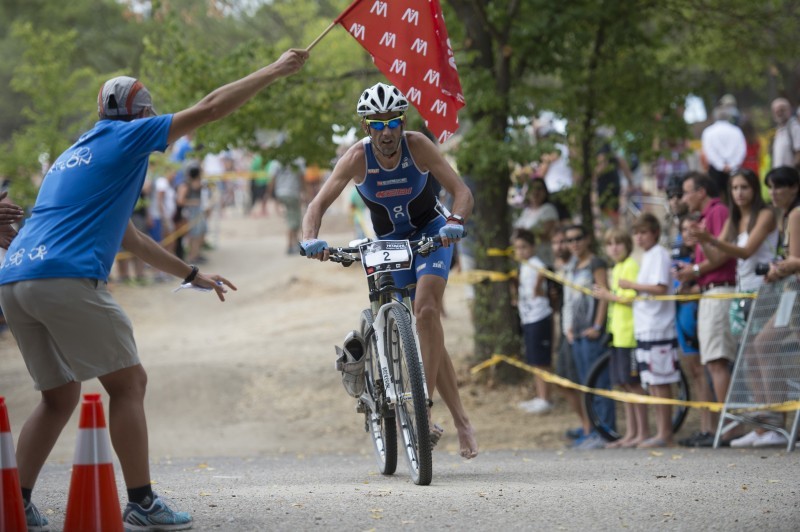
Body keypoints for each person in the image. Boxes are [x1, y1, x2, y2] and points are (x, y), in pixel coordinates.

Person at [0, 48, 308, 531]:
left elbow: (132, 238)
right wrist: (275, 70)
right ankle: (142, 503)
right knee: (129, 383)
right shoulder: (127, 137)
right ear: (142, 115)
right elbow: (209, 108)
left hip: (15, 280)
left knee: (58, 397)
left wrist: (189, 273)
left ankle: (14, 502)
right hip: (64, 278)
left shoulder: (75, 153)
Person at [300, 82, 478, 459]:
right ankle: (460, 419)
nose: (385, 132)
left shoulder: (418, 146)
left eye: (392, 122)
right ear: (367, 128)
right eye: (376, 124)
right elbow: (316, 206)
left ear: (402, 122)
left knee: (427, 309)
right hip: (388, 242)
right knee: (424, 329)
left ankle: (423, 411)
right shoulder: (356, 158)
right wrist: (310, 239)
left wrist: (456, 221)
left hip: (431, 232)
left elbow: (461, 192)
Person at [675, 172, 737, 447]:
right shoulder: (705, 218)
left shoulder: (718, 211)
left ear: (701, 192)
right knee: (712, 361)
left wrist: (695, 269)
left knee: (717, 360)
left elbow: (722, 256)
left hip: (720, 290)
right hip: (709, 292)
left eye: (687, 192)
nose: (684, 198)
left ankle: (726, 427)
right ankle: (718, 427)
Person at [690, 168, 777, 337]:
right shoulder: (733, 220)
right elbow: (715, 257)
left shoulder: (765, 214)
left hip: (764, 290)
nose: (739, 193)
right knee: (745, 354)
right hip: (741, 291)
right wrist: (703, 240)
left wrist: (710, 239)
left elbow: (746, 252)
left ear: (754, 189)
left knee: (761, 349)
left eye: (744, 187)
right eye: (735, 188)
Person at [626, 214, 680, 448]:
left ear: (655, 232)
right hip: (646, 327)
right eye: (636, 233)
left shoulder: (659, 254)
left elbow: (660, 287)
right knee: (653, 383)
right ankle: (659, 432)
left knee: (661, 381)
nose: (639, 237)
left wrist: (632, 286)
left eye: (644, 232)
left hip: (659, 327)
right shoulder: (647, 256)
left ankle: (665, 433)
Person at [592, 228, 648, 448]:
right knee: (624, 385)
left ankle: (642, 432)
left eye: (619, 243)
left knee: (634, 385)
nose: (614, 248)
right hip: (618, 336)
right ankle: (631, 433)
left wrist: (608, 296)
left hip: (630, 335)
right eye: (610, 244)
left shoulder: (631, 266)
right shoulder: (616, 269)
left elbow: (631, 298)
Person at [562, 224, 613, 450]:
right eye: (570, 240)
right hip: (577, 333)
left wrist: (597, 325)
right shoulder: (572, 265)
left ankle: (606, 431)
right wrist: (569, 327)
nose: (574, 243)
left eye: (578, 238)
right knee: (586, 385)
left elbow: (603, 295)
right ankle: (592, 430)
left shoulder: (596, 263)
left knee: (599, 385)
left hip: (592, 333)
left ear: (587, 239)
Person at [511, 229, 554, 415]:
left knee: (542, 360)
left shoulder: (537, 265)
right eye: (517, 248)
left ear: (532, 247)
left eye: (524, 247)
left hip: (540, 316)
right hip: (528, 318)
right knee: (534, 360)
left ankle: (546, 398)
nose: (520, 251)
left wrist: (539, 287)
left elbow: (544, 283)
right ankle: (539, 396)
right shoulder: (524, 266)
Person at [700, 106, 746, 202]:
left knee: (716, 198)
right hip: (734, 169)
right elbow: (741, 150)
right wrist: (732, 165)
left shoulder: (708, 132)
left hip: (715, 170)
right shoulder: (736, 131)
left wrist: (720, 165)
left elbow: (709, 151)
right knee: (735, 197)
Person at [512, 178, 559, 265]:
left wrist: (526, 234)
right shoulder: (526, 211)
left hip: (542, 258)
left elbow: (547, 234)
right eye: (532, 189)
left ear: (545, 192)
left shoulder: (548, 209)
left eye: (539, 189)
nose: (535, 192)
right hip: (526, 259)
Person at [769, 98, 800, 170]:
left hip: (790, 175)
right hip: (778, 174)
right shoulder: (778, 130)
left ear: (789, 110)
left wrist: (792, 171)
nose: (779, 113)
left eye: (782, 110)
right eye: (776, 111)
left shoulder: (795, 128)